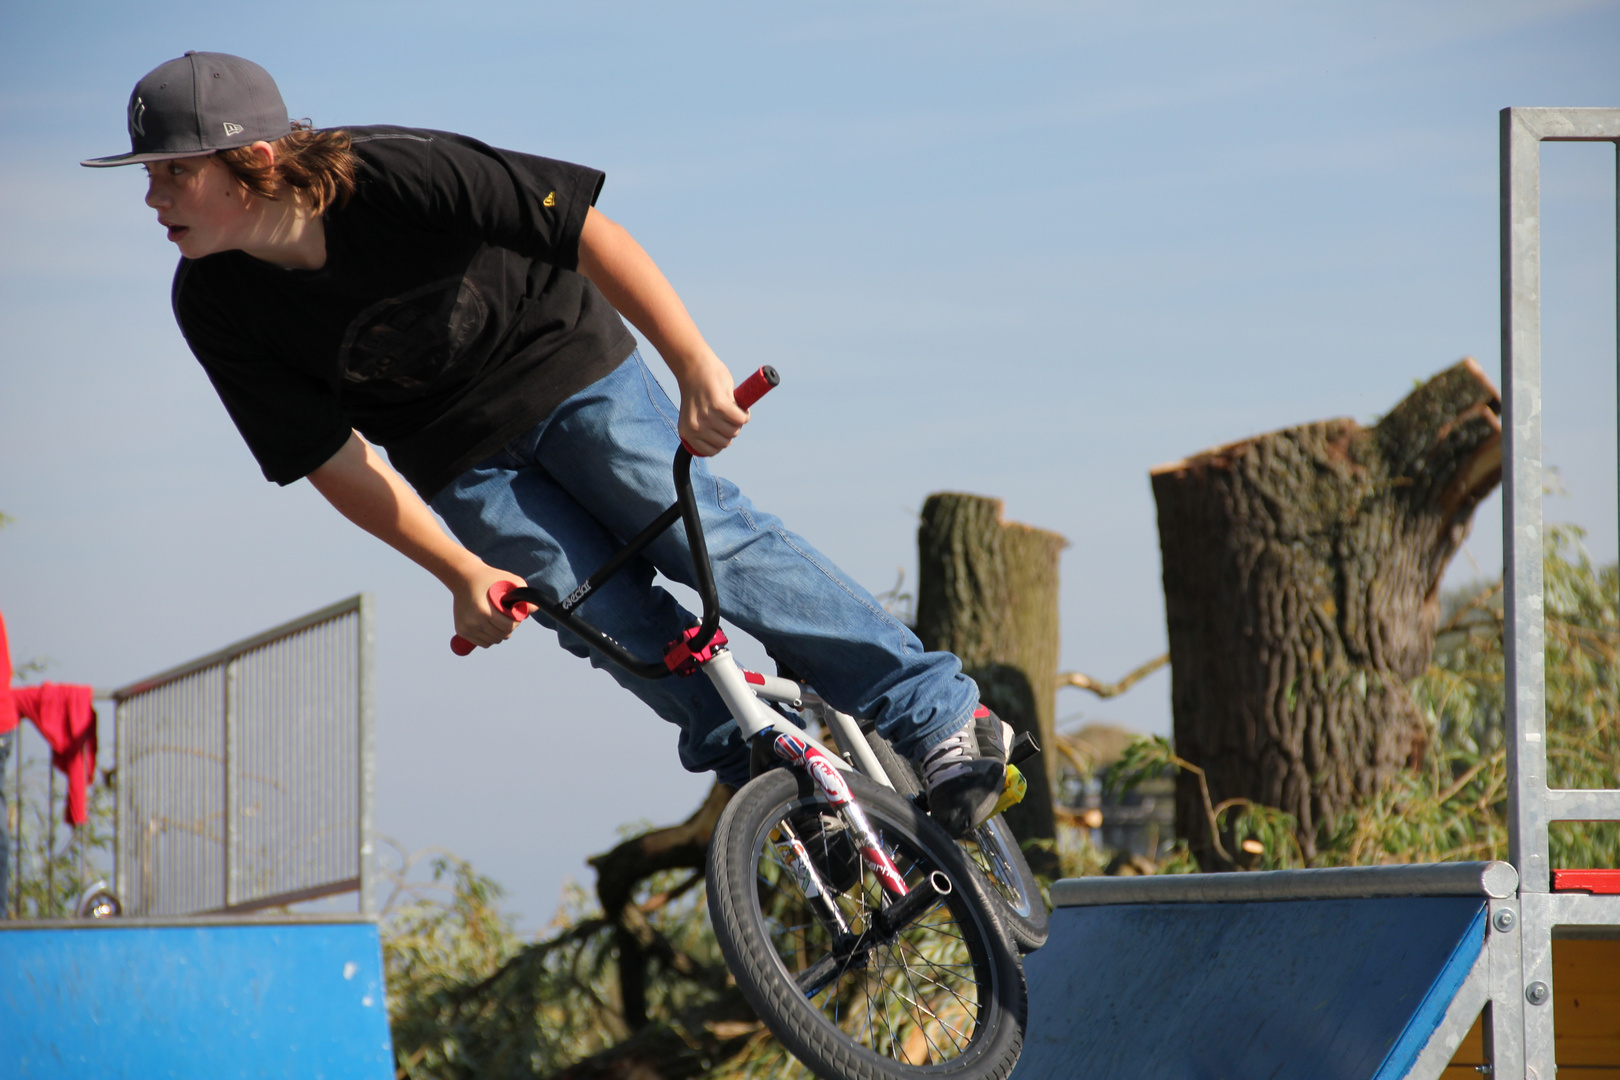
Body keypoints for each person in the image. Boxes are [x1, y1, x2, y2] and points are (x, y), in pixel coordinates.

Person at [84, 51, 1009, 836]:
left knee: (699, 538)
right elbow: (334, 458)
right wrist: (457, 570)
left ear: (251, 159)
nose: (154, 196)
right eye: (148, 177)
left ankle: (939, 715)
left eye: (171, 171)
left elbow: (586, 232)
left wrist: (691, 365)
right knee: (595, 615)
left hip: (566, 366)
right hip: (454, 455)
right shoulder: (212, 303)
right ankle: (780, 788)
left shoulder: (396, 172)